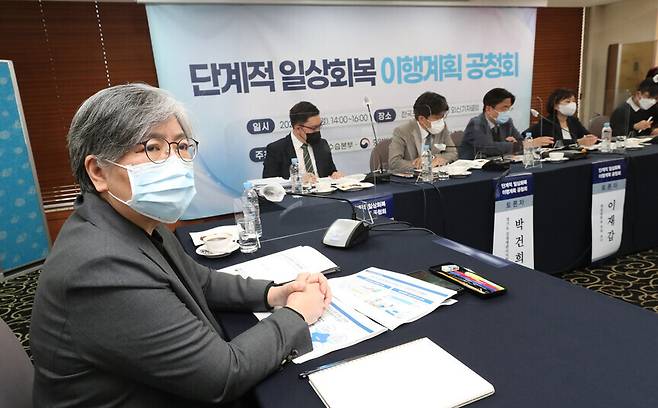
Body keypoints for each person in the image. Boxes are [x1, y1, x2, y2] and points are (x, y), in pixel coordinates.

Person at [29, 83, 331, 407]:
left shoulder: (135, 222)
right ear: (98, 172)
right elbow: (224, 375)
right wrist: (297, 314)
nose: (175, 161)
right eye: (153, 148)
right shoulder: (97, 267)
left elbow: (200, 280)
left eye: (182, 146)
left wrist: (274, 293)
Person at [459, 88, 553, 159]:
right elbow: (488, 148)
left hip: (500, 164)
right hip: (473, 169)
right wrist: (524, 144)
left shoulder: (507, 122)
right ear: (488, 109)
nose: (507, 111)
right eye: (504, 108)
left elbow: (519, 139)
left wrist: (518, 144)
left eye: (509, 108)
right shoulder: (476, 123)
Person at [262, 101, 343, 183]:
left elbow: (331, 172)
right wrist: (297, 181)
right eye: (314, 128)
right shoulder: (277, 149)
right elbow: (269, 185)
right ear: (298, 129)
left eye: (319, 126)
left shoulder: (322, 144)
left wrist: (335, 175)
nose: (318, 131)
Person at [388, 91, 457, 172]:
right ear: (421, 119)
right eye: (437, 118)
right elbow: (394, 163)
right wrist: (421, 163)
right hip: (412, 181)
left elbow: (453, 153)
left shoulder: (442, 127)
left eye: (442, 117)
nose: (441, 121)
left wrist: (433, 158)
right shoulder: (402, 131)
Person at [523, 88, 598, 147]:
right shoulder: (547, 122)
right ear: (556, 106)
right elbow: (555, 143)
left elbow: (586, 135)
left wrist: (591, 138)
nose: (572, 104)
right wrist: (578, 142)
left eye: (574, 101)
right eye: (568, 101)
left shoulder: (573, 120)